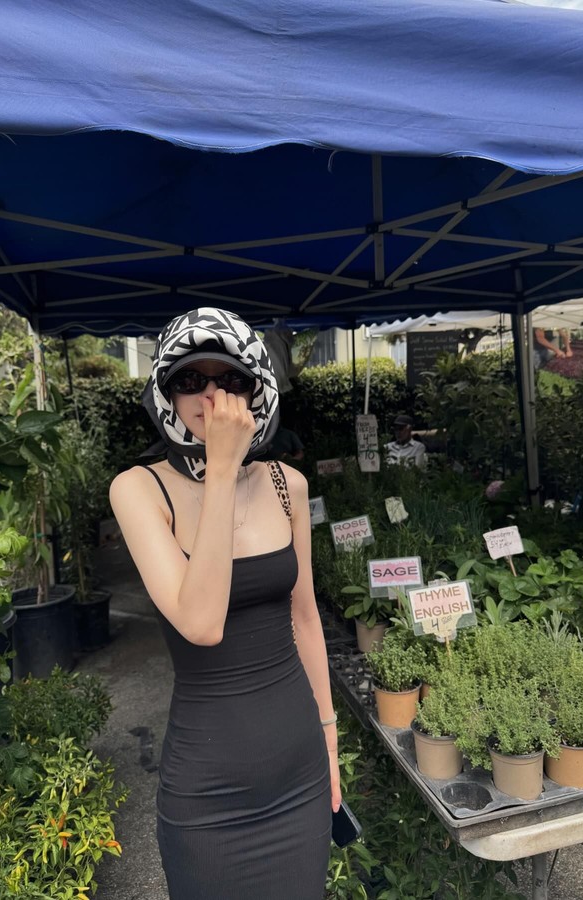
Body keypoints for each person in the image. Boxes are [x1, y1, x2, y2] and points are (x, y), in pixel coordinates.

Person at [109, 307, 340, 900]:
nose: (211, 395)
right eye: (190, 379)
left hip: (300, 772)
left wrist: (331, 745)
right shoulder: (138, 489)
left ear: (256, 387)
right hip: (208, 792)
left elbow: (305, 618)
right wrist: (221, 469)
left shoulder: (287, 484)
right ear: (166, 393)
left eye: (230, 379)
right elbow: (201, 622)